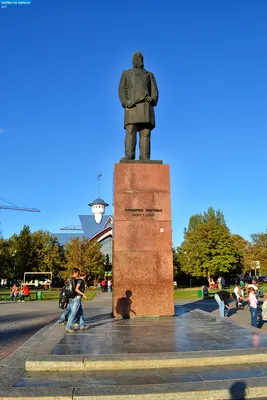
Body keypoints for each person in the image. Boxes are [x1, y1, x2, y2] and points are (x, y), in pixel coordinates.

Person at [118, 51, 159, 161]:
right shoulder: (126, 73)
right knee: (130, 130)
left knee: (145, 132)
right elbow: (122, 89)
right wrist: (125, 102)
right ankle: (129, 155)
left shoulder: (149, 74)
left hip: (146, 107)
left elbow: (154, 90)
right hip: (131, 107)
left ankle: (145, 157)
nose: (138, 59)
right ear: (132, 61)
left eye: (140, 57)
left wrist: (152, 99)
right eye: (136, 58)